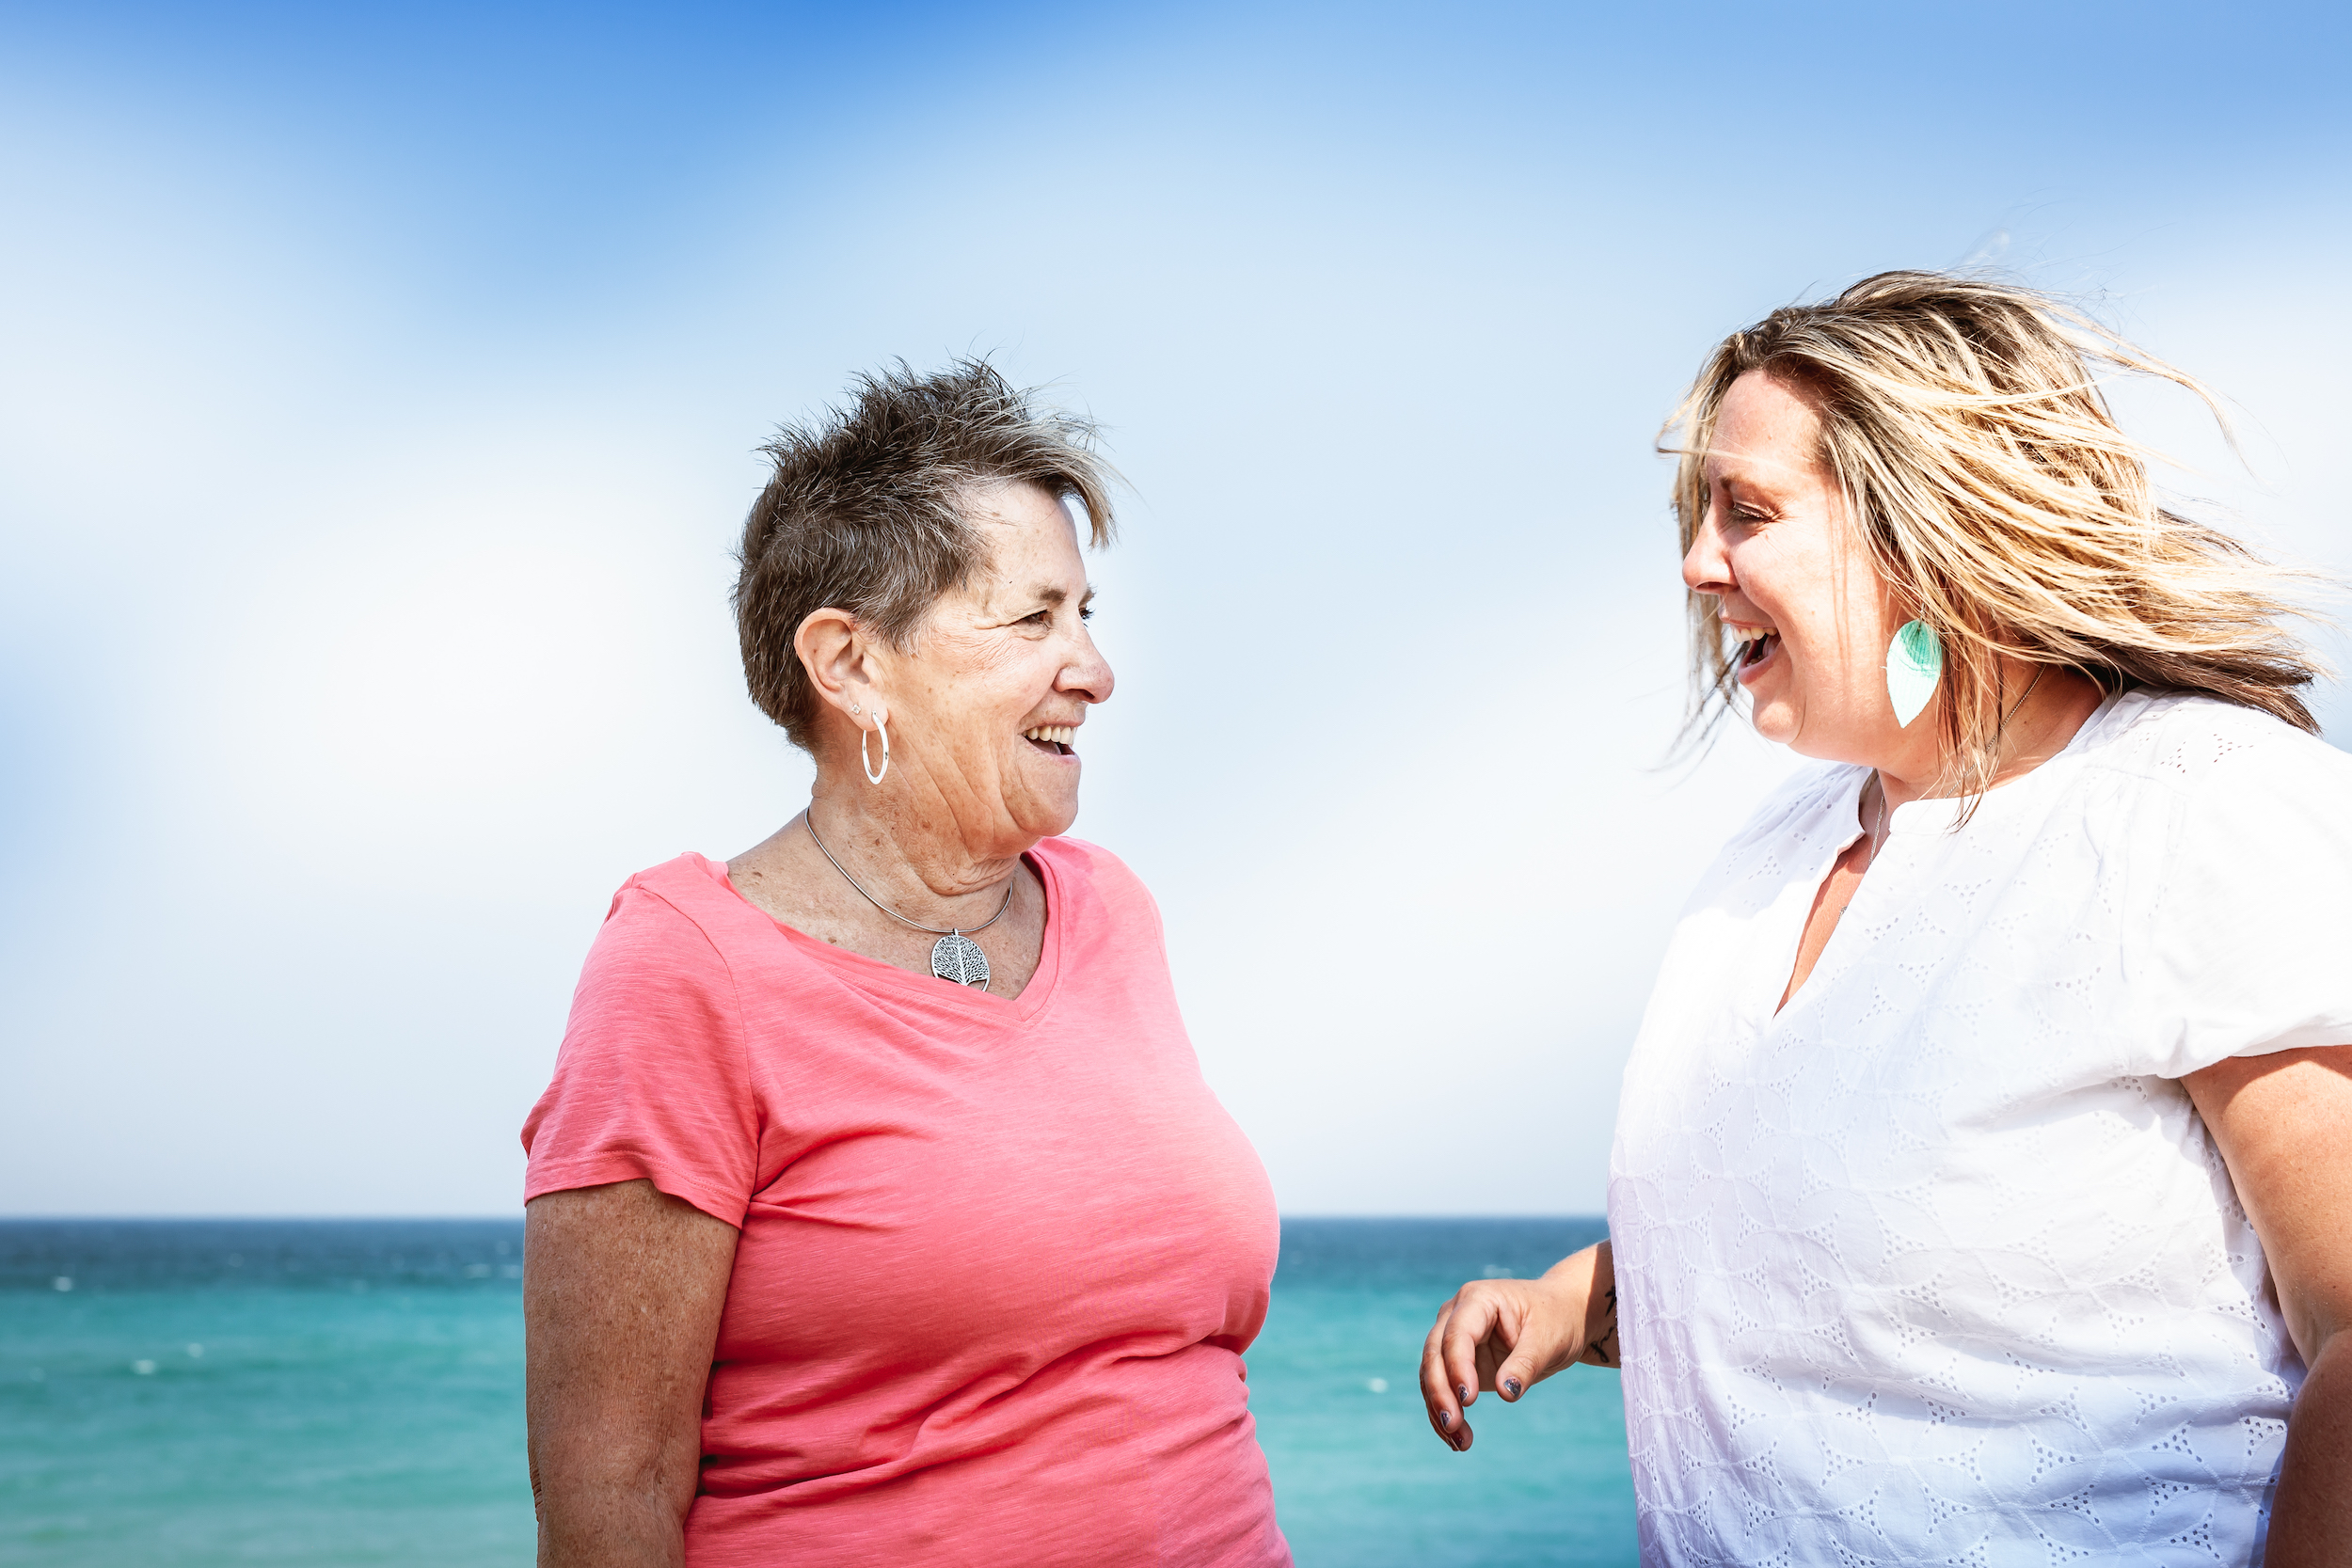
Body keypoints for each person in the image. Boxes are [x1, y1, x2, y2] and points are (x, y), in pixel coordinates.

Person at [1419, 273, 2352, 1563]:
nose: (1697, 562)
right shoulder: (1771, 855)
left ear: (1926, 533)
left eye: (1748, 511)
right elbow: (1844, 1233)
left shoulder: (2201, 807)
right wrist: (1578, 1299)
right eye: (1700, 515)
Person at [521, 361, 1292, 1568]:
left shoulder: (1111, 908)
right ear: (851, 664)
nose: (1091, 667)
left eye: (1087, 614)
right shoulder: (684, 966)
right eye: (1032, 617)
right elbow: (610, 1494)